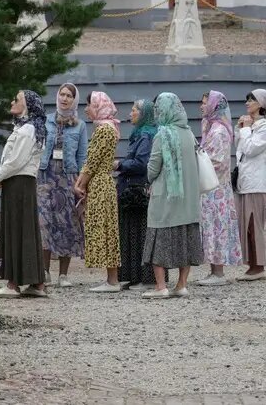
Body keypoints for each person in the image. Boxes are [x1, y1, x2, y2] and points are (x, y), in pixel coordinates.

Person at [141, 93, 204, 299]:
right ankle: (181, 285)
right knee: (185, 238)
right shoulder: (189, 133)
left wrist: (148, 179)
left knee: (159, 236)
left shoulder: (163, 134)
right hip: (188, 198)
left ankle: (161, 286)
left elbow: (153, 166)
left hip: (166, 197)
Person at [0, 89, 49, 298]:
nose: (12, 101)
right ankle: (37, 282)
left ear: (27, 106)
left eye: (17, 99)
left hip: (18, 184)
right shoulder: (27, 128)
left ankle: (14, 283)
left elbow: (16, 161)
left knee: (16, 229)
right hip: (22, 183)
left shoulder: (27, 130)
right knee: (26, 230)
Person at [37, 82, 88, 287]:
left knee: (67, 223)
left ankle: (63, 275)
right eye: (62, 94)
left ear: (74, 100)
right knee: (44, 223)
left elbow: (82, 155)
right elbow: (38, 146)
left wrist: (82, 182)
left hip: (68, 178)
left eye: (69, 96)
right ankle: (45, 271)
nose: (64, 98)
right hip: (45, 176)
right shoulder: (46, 120)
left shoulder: (80, 125)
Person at [74, 92, 121, 293]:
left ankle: (112, 280)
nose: (86, 109)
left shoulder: (103, 130)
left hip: (100, 184)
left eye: (89, 105)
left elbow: (92, 162)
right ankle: (112, 279)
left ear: (98, 105)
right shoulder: (110, 127)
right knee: (108, 230)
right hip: (103, 182)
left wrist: (80, 184)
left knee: (105, 231)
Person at [195, 91, 242, 286]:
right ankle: (213, 269)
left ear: (215, 105)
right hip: (210, 188)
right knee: (210, 226)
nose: (201, 106)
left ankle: (219, 272)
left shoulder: (219, 131)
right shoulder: (210, 127)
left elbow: (218, 161)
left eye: (205, 102)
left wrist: (198, 160)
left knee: (217, 226)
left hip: (217, 189)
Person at [117, 99, 159, 290]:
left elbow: (141, 164)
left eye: (134, 110)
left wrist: (120, 165)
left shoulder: (145, 136)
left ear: (143, 114)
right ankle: (135, 277)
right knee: (133, 233)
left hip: (138, 189)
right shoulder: (140, 134)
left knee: (140, 234)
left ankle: (146, 278)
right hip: (133, 189)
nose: (130, 113)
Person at [237, 89, 266, 282]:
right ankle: (252, 263)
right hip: (246, 181)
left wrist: (245, 130)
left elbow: (250, 149)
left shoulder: (265, 128)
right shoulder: (252, 126)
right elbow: (241, 151)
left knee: (254, 224)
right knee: (245, 224)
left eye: (251, 100)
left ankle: (258, 265)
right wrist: (243, 129)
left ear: (261, 104)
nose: (247, 103)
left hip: (256, 182)